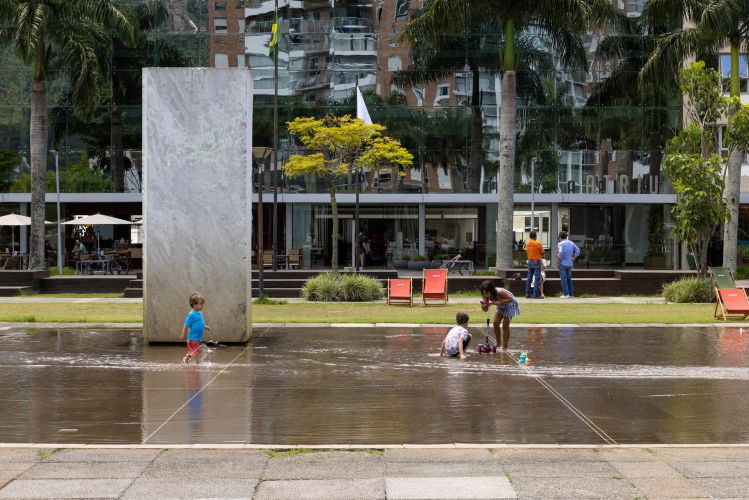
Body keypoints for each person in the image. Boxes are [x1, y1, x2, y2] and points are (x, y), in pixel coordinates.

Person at [480, 280, 520, 351]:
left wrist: (500, 302)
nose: (485, 295)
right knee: (495, 323)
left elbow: (510, 299)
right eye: (484, 293)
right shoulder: (485, 296)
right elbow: (485, 310)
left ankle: (504, 346)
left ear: (491, 290)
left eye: (487, 293)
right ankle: (498, 343)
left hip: (509, 305)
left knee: (505, 325)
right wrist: (484, 305)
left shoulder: (500, 292)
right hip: (500, 306)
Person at [180, 292, 212, 364]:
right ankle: (195, 363)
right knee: (197, 351)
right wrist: (183, 334)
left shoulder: (199, 313)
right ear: (194, 305)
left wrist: (206, 327)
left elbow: (199, 324)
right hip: (193, 338)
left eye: (202, 304)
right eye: (200, 304)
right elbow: (186, 325)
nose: (202, 306)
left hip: (197, 338)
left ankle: (188, 359)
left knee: (195, 351)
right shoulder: (191, 314)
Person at [557, 231, 581, 299]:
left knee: (563, 279)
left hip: (562, 263)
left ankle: (566, 294)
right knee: (569, 279)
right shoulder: (571, 243)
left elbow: (560, 252)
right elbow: (578, 250)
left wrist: (558, 261)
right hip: (570, 263)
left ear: (560, 237)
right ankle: (571, 294)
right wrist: (573, 258)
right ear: (566, 236)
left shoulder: (560, 244)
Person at [524, 231, 544, 299]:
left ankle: (527, 294)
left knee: (529, 277)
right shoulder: (538, 243)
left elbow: (526, 252)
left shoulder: (527, 244)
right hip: (536, 261)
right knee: (537, 278)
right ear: (535, 236)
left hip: (530, 261)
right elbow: (542, 252)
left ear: (530, 236)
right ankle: (535, 294)